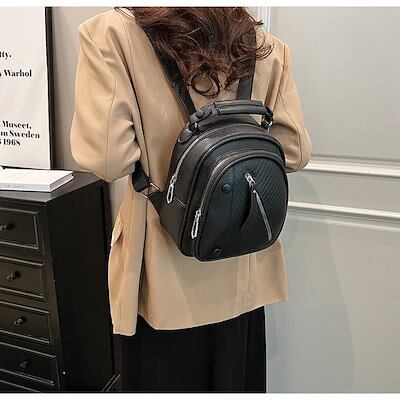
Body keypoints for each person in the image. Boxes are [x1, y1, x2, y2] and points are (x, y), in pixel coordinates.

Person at [70, 6, 311, 393]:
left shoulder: (111, 34)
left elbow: (107, 158)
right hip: (241, 262)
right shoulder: (264, 45)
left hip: (165, 270)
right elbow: (294, 152)